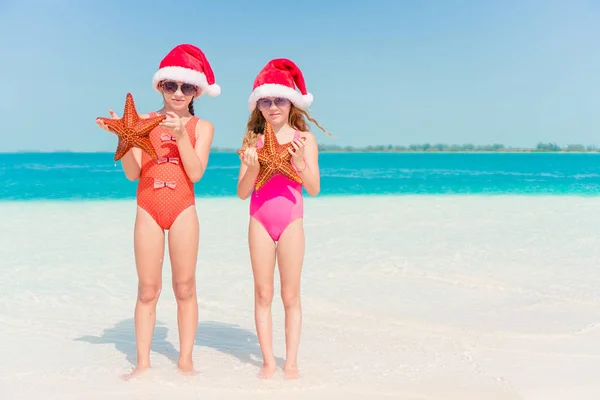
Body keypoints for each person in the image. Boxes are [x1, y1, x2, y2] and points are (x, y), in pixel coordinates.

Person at [96, 44, 221, 379]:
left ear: (197, 90)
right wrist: (121, 138)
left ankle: (185, 360)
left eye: (186, 87)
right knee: (148, 289)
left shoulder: (202, 127)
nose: (178, 93)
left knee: (185, 287)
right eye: (171, 85)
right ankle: (142, 364)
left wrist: (180, 136)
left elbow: (195, 174)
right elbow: (133, 174)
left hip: (183, 208)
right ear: (160, 86)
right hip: (147, 207)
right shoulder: (141, 122)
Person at [237, 58, 331, 379]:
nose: (273, 105)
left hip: (292, 221)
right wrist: (251, 167)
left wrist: (300, 165)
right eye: (266, 100)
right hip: (259, 221)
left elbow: (315, 189)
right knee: (263, 293)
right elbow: (241, 193)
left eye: (279, 99)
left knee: (290, 295)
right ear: (258, 105)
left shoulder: (304, 141)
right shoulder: (253, 141)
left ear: (291, 101)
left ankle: (290, 362)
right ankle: (266, 362)